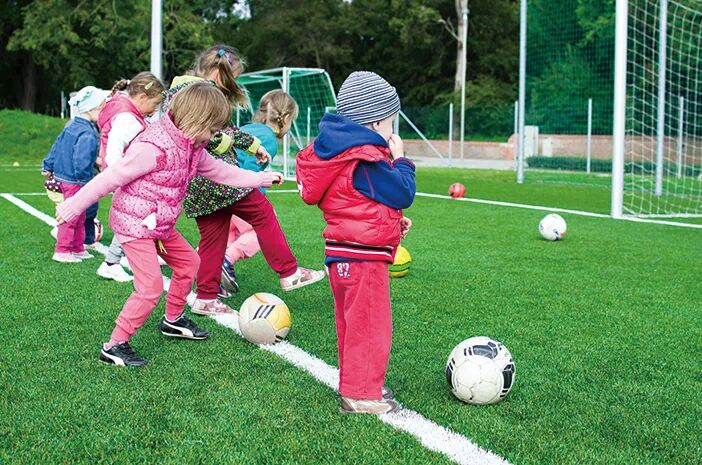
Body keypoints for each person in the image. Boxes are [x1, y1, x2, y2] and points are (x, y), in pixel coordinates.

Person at [55, 83, 283, 367]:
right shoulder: (153, 148)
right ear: (196, 121)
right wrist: (73, 206)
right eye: (212, 130)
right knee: (150, 287)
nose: (214, 137)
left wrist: (260, 178)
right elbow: (111, 178)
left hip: (159, 225)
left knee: (190, 263)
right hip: (135, 225)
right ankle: (114, 345)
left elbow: (220, 171)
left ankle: (172, 320)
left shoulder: (192, 146)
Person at [166, 45, 324, 316]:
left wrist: (253, 145)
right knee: (263, 214)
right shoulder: (201, 93)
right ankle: (289, 272)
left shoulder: (180, 90)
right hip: (218, 178)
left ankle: (206, 297)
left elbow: (224, 131)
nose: (233, 83)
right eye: (233, 77)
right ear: (219, 72)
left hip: (197, 184)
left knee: (213, 238)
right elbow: (210, 136)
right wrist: (237, 150)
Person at [296, 71, 416, 414]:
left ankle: (356, 383)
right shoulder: (365, 158)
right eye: (390, 122)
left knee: (352, 325)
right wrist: (402, 160)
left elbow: (356, 201)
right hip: (363, 259)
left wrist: (392, 223)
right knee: (370, 326)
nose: (392, 131)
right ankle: (361, 394)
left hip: (343, 254)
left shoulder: (340, 154)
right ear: (375, 122)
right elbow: (402, 191)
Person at [220, 89, 299, 294]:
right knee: (261, 228)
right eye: (292, 121)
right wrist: (260, 193)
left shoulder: (247, 128)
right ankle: (227, 260)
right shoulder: (269, 140)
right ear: (286, 118)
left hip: (219, 189)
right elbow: (248, 169)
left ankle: (210, 271)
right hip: (237, 192)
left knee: (228, 234)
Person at [95, 72, 166, 283]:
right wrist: (120, 177)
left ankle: (125, 257)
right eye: (155, 104)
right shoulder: (127, 119)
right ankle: (111, 263)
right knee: (133, 219)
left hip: (127, 177)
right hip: (126, 178)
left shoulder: (129, 114)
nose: (156, 110)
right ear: (142, 97)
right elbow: (114, 151)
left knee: (139, 218)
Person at [42, 86, 108, 263]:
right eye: (102, 108)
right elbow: (81, 159)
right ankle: (63, 250)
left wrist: (48, 164)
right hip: (76, 181)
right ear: (92, 109)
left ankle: (77, 247)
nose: (103, 112)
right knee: (72, 216)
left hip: (66, 177)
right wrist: (86, 182)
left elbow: (56, 145)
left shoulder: (71, 125)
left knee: (80, 215)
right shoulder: (87, 132)